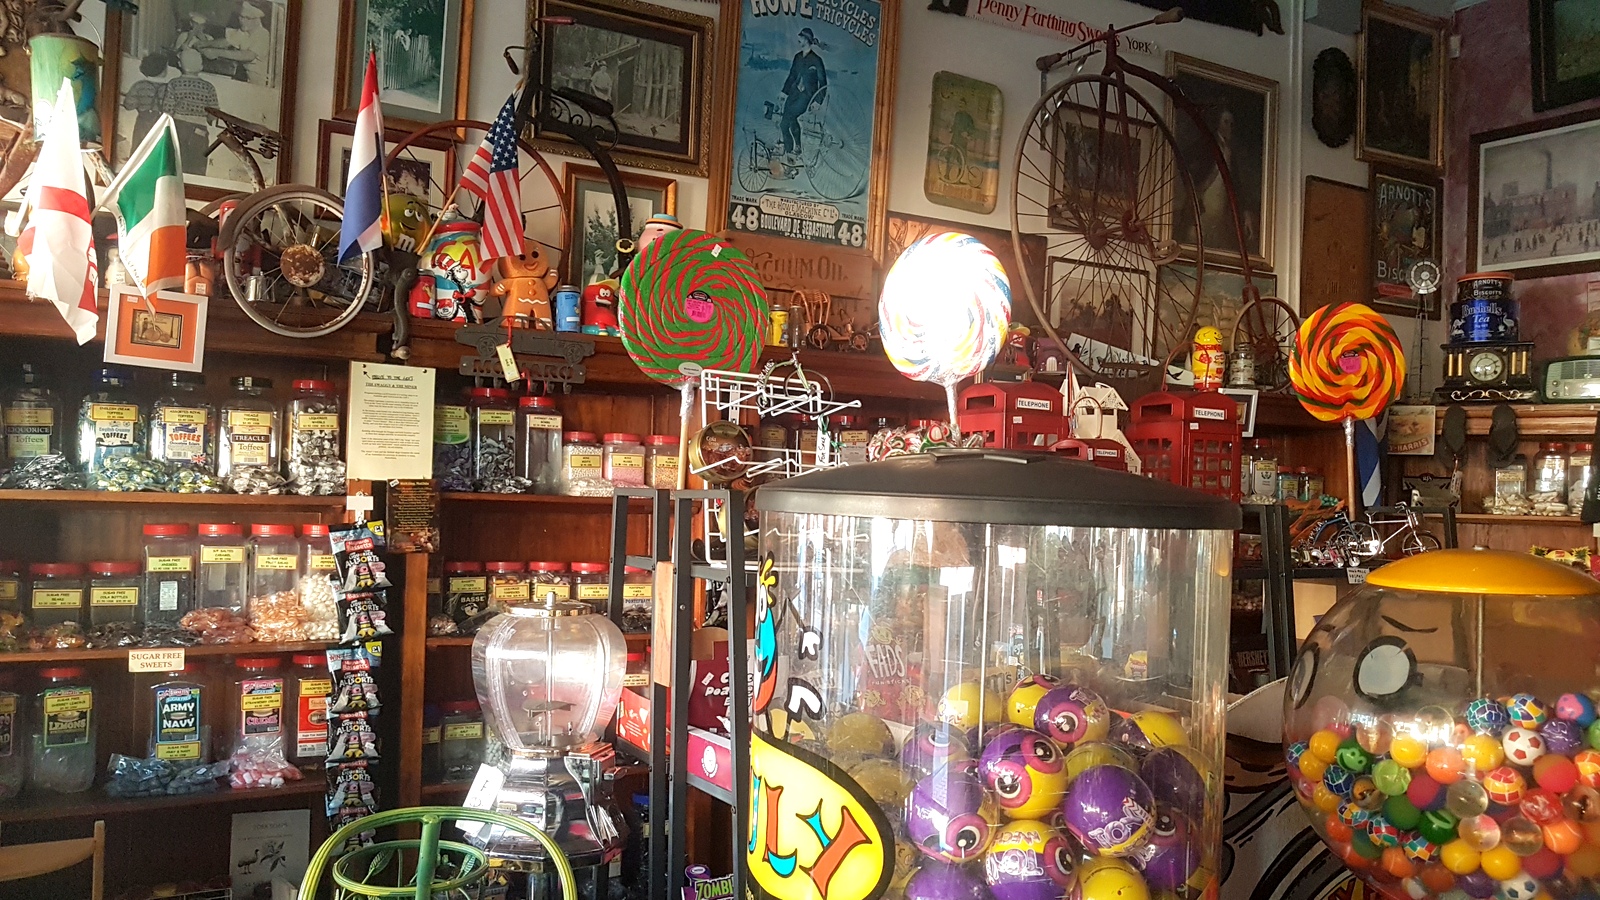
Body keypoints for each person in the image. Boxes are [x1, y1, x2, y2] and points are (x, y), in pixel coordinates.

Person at [162, 48, 218, 176]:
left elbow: (167, 109)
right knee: (197, 163)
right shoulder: (208, 87)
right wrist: (209, 120)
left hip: (178, 126)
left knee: (175, 162)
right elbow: (213, 113)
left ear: (180, 64)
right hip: (200, 129)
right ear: (201, 66)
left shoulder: (174, 84)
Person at [778, 28, 827, 165]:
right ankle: (793, 152)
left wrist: (818, 101)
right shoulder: (797, 57)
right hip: (793, 93)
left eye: (801, 37)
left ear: (807, 40)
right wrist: (784, 92)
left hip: (807, 96)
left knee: (788, 119)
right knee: (786, 122)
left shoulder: (816, 60)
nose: (798, 39)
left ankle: (793, 150)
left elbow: (823, 83)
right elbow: (792, 76)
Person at [122, 53, 171, 155]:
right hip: (161, 122)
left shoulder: (139, 86)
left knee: (139, 150)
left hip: (143, 121)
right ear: (162, 70)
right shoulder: (169, 88)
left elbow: (128, 105)